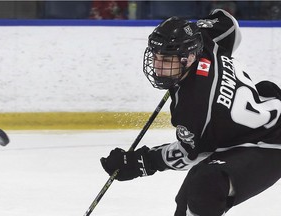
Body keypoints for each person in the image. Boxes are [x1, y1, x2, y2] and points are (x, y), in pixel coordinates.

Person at [100, 9, 281, 216]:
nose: (158, 67)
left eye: (167, 61)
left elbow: (190, 154)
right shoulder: (206, 40)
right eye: (156, 57)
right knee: (187, 200)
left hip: (269, 143)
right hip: (249, 126)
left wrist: (141, 162)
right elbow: (229, 24)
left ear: (189, 57)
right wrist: (190, 30)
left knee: (206, 185)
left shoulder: (194, 106)